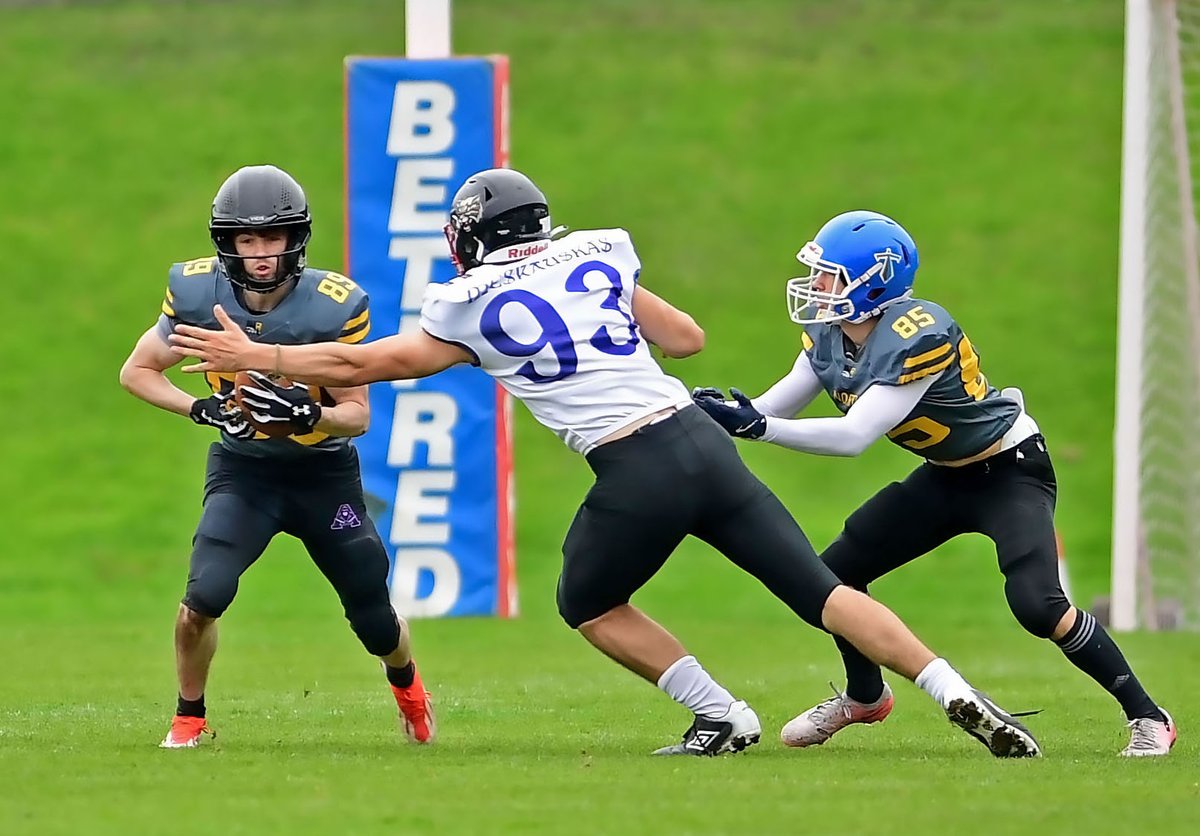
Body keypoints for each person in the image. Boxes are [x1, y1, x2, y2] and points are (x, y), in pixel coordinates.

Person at [170, 168, 1039, 758]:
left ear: (475, 237)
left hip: (634, 465)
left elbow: (367, 363)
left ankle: (721, 714)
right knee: (823, 591)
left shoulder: (467, 300)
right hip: (697, 436)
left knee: (586, 602)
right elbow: (686, 339)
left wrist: (261, 357)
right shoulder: (600, 251)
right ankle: (955, 691)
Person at [691, 209, 1176, 758]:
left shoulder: (916, 333)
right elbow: (773, 406)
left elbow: (853, 436)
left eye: (829, 275)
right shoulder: (830, 333)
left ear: (873, 282)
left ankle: (1148, 715)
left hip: (1009, 469)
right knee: (833, 577)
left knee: (1037, 605)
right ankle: (865, 697)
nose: (817, 285)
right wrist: (714, 413)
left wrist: (758, 427)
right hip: (946, 475)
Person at [119, 164, 435, 749]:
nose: (262, 253)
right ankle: (189, 716)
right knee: (202, 598)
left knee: (372, 613)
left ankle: (408, 685)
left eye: (273, 237)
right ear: (227, 242)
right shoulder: (198, 295)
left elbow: (357, 415)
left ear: (296, 238)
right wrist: (201, 409)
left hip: (323, 475)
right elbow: (137, 371)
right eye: (247, 239)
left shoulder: (330, 307)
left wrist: (309, 413)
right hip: (246, 471)